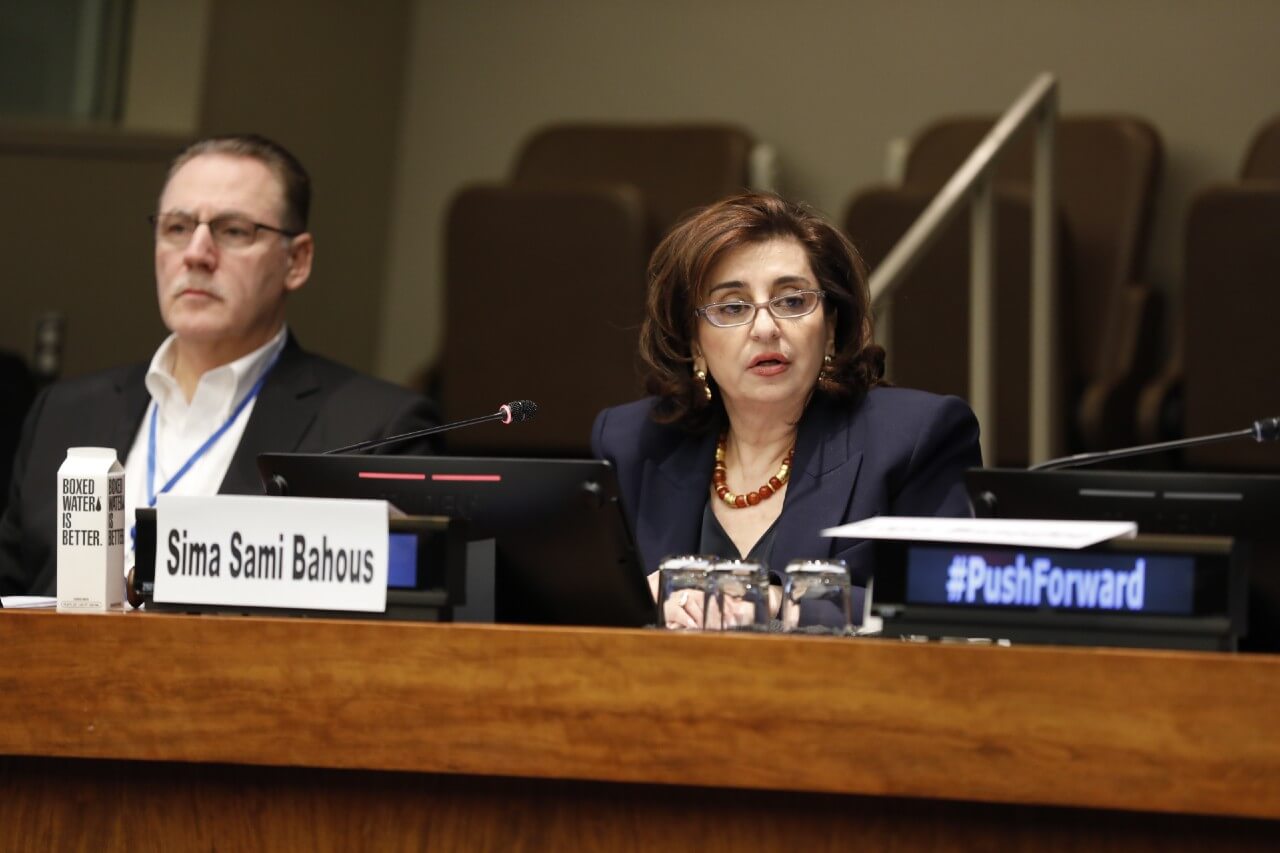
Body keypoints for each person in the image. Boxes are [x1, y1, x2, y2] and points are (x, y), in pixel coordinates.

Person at [0, 134, 439, 597]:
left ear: (298, 261)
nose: (196, 254)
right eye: (177, 228)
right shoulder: (65, 413)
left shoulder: (376, 431)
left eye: (234, 231)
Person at [592, 192, 982, 620]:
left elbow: (952, 610)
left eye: (792, 301)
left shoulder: (913, 437)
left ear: (831, 328)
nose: (764, 328)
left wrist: (780, 604)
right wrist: (630, 602)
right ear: (694, 343)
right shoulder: (633, 444)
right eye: (733, 307)